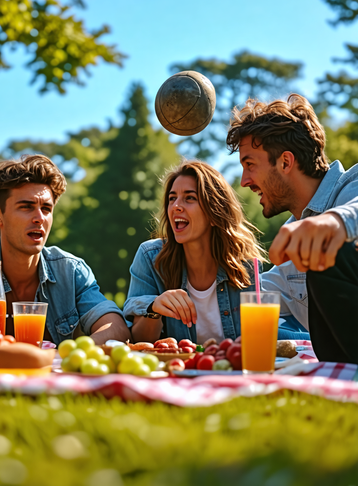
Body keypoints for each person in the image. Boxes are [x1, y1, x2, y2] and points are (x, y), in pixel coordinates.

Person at [0, 155, 130, 345]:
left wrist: (69, 353)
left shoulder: (70, 271)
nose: (39, 218)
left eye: (47, 209)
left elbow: (116, 328)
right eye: (26, 207)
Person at [227, 93, 358, 364]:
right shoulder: (295, 239)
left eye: (250, 164)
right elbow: (253, 294)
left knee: (328, 255)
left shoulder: (351, 187)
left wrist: (334, 222)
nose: (243, 181)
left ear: (285, 162)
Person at [123, 159, 283, 345]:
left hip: (231, 370)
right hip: (178, 371)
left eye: (189, 198)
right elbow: (139, 342)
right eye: (172, 198)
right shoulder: (150, 257)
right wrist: (154, 308)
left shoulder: (245, 265)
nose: (176, 206)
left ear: (214, 213)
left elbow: (256, 340)